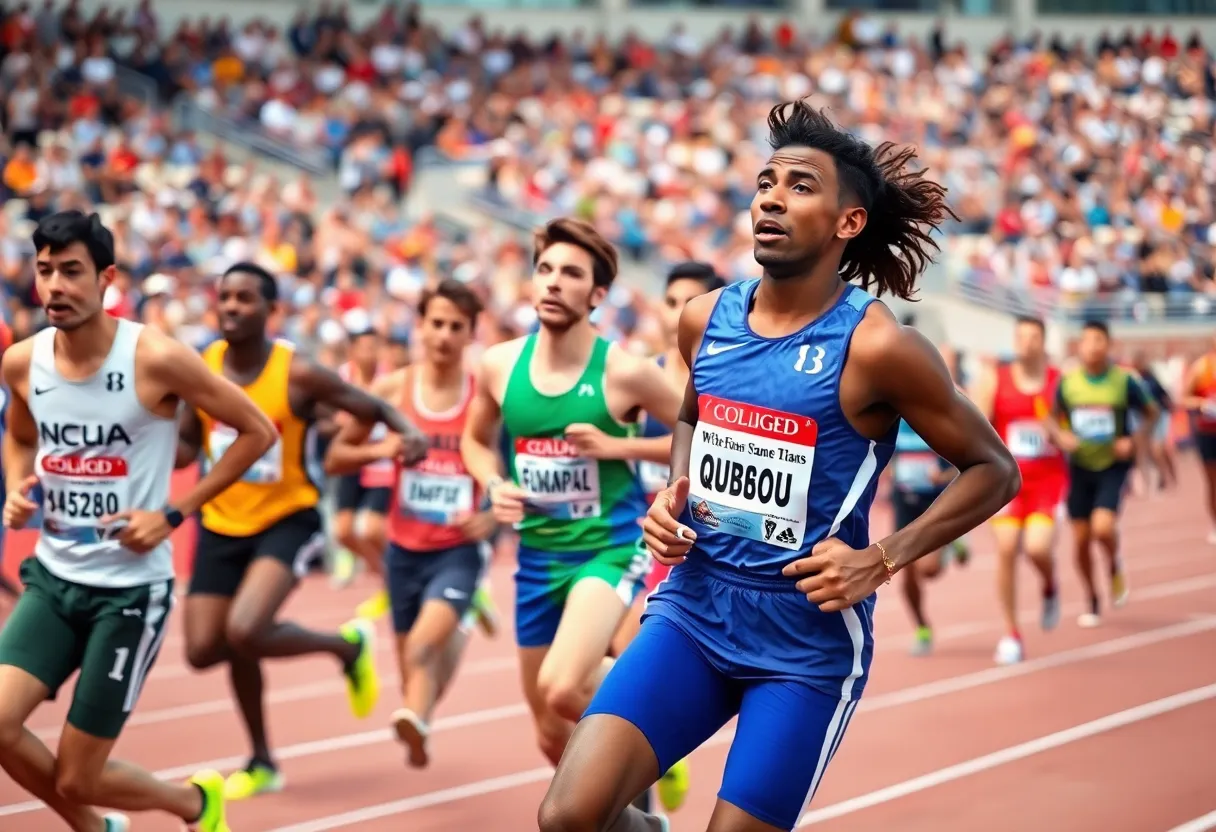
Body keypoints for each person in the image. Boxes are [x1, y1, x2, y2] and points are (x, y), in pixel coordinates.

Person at [537, 101, 1020, 832]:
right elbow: (693, 418)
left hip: (805, 640)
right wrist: (677, 489)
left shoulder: (879, 347)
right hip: (694, 609)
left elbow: (993, 469)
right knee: (568, 817)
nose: (769, 196)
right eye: (765, 182)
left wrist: (881, 558)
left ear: (846, 222)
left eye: (798, 185)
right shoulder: (705, 318)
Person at [0, 211, 280, 832]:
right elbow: (20, 436)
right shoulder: (23, 362)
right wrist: (20, 484)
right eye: (45, 271)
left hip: (128, 592)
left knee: (78, 776)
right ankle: (96, 828)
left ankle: (194, 803)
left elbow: (257, 432)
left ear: (106, 279)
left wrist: (173, 513)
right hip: (52, 577)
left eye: (71, 272)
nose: (55, 287)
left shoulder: (154, 357)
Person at [176, 261, 428, 801]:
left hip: (286, 517)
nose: (232, 307)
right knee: (203, 648)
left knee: (245, 629)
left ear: (273, 311)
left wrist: (409, 432)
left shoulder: (297, 373)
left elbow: (372, 405)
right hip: (221, 521)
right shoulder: (202, 368)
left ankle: (342, 651)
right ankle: (267, 755)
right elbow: (186, 447)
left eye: (245, 298)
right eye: (225, 297)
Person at [461, 217, 683, 776]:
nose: (554, 282)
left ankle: (661, 717)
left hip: (606, 548)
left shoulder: (625, 372)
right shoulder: (499, 364)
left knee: (563, 688)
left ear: (598, 294)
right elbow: (473, 440)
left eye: (571, 273)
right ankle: (642, 810)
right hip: (537, 558)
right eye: (545, 270)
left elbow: (706, 435)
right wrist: (494, 484)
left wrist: (618, 446)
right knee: (550, 732)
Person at [325, 279, 497, 768]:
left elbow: (510, 463)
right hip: (403, 549)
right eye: (435, 324)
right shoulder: (391, 389)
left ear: (470, 334)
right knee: (414, 674)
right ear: (420, 327)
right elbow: (337, 456)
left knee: (422, 647)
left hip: (458, 548)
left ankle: (415, 719)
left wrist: (491, 517)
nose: (443, 335)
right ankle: (422, 715)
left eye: (455, 327)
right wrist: (385, 448)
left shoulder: (484, 396)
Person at [1045, 320, 1156, 629]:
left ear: (1109, 345)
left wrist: (1133, 440)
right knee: (1080, 540)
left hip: (1111, 465)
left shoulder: (1124, 381)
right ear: (1079, 346)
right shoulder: (1068, 383)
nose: (1092, 346)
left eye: (1098, 340)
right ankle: (1092, 596)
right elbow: (1051, 419)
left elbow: (1152, 412)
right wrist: (1060, 436)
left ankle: (1114, 562)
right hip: (1079, 467)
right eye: (1087, 340)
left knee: (1103, 528)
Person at [970, 316, 1064, 665]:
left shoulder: (1059, 383)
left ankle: (1050, 584)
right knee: (1007, 548)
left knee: (1038, 548)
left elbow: (1073, 431)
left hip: (1047, 480)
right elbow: (975, 426)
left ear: (1043, 341)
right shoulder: (996, 378)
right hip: (1009, 482)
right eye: (1021, 337)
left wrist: (1058, 431)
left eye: (1033, 337)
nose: (1026, 343)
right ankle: (1011, 633)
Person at [331, 326, 394, 619]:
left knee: (371, 528)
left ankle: (393, 581)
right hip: (353, 462)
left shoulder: (389, 379)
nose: (369, 354)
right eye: (364, 347)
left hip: (382, 464)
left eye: (374, 347)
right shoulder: (341, 378)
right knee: (343, 532)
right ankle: (389, 577)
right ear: (352, 351)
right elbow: (332, 419)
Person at [888, 417, 957, 656]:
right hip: (905, 499)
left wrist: (945, 476)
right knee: (903, 570)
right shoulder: (892, 416)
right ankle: (921, 627)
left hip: (936, 501)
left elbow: (967, 464)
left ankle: (953, 540)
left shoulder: (939, 412)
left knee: (928, 570)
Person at [1180, 338, 1216, 541]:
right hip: (1208, 433)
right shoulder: (1202, 368)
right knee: (1213, 482)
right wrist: (1202, 404)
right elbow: (1183, 398)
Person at [1129, 351, 1176, 493]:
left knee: (1157, 450)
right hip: (1142, 418)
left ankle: (1168, 476)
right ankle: (1147, 482)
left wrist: (1169, 408)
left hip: (1159, 416)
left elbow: (1165, 396)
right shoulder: (1133, 381)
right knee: (1143, 452)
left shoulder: (1152, 379)